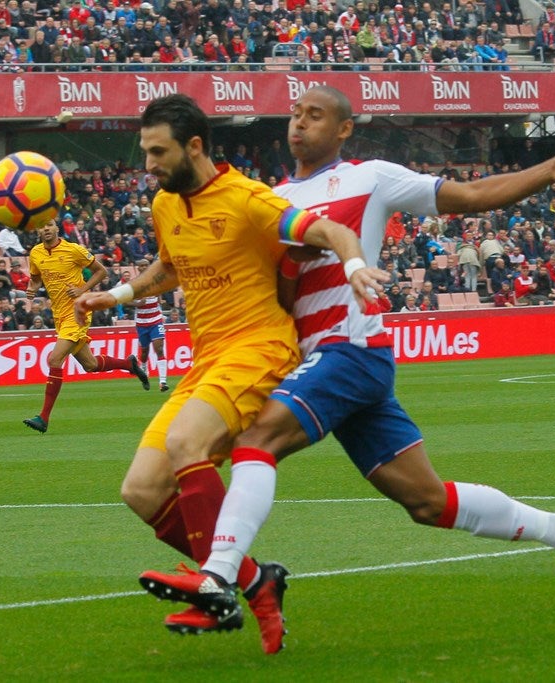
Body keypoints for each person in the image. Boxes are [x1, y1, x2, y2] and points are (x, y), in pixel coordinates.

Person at [134, 86, 555, 647]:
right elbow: (273, 289)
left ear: (343, 130)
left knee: (257, 440)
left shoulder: (371, 177)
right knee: (427, 502)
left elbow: (473, 194)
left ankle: (221, 575)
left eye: (315, 116)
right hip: (314, 363)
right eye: (294, 114)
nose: (299, 124)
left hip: (350, 351)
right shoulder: (271, 197)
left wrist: (549, 170)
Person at [74, 94, 385, 654]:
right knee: (141, 490)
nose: (148, 165)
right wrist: (115, 295)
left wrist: (357, 266)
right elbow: (172, 268)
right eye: (145, 152)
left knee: (186, 442)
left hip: (258, 349)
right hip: (206, 360)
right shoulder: (167, 205)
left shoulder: (248, 199)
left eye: (158, 152)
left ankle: (214, 589)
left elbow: (332, 234)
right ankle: (254, 580)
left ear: (194, 146)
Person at [22, 218, 150, 434]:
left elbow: (102, 272)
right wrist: (31, 288)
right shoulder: (35, 253)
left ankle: (43, 417)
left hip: (78, 311)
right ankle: (129, 365)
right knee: (89, 365)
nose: (45, 229)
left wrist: (83, 290)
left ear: (56, 228)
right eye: (41, 226)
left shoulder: (73, 250)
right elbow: (35, 278)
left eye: (49, 225)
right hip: (59, 315)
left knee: (54, 359)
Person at [133, 294, 169, 392]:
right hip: (141, 323)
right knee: (144, 352)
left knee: (159, 349)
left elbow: (160, 294)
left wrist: (160, 299)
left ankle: (163, 382)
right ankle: (144, 370)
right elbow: (125, 302)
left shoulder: (155, 284)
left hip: (156, 321)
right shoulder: (137, 285)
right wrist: (138, 303)